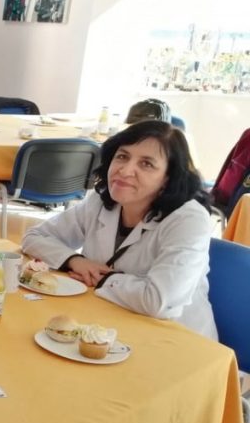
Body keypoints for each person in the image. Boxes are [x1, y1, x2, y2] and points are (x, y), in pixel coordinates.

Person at [21, 120, 216, 338]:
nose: (125, 170)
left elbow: (158, 301)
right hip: (107, 323)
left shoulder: (189, 220)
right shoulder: (100, 200)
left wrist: (104, 279)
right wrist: (75, 261)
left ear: (167, 179)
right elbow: (34, 237)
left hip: (173, 338)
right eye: (122, 156)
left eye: (146, 164)